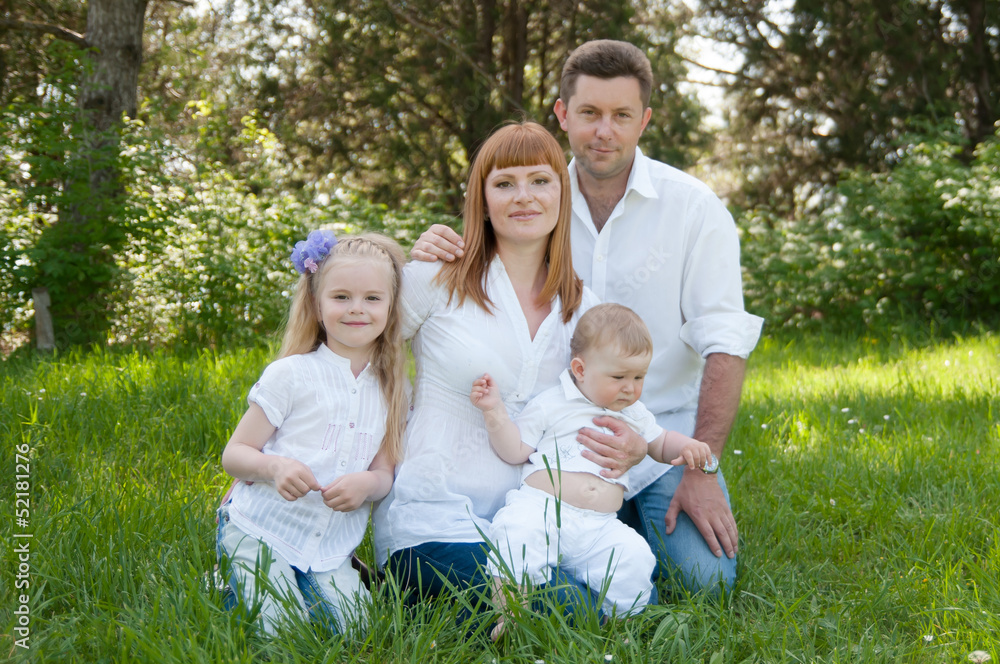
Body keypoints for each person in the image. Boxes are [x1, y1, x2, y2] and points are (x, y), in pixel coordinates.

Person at [412, 40, 765, 595]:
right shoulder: (539, 193)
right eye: (590, 114)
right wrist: (428, 246)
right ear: (562, 114)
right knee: (550, 568)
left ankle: (614, 523)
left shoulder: (695, 210)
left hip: (655, 432)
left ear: (644, 120)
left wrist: (701, 468)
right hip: (551, 433)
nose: (605, 131)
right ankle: (589, 531)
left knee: (705, 583)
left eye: (622, 116)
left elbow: (725, 342)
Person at [371, 121, 601, 605]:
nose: (524, 196)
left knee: (599, 597)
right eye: (504, 183)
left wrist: (632, 446)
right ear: (482, 199)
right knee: (551, 607)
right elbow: (349, 357)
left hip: (531, 521)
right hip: (435, 515)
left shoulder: (584, 309)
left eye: (540, 180)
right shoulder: (436, 277)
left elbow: (604, 406)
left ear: (564, 193)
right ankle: (402, 591)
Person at [470, 303, 715, 639]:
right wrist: (495, 412)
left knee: (634, 556)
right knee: (516, 535)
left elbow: (659, 443)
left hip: (599, 527)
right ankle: (512, 617)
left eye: (639, 377)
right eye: (619, 377)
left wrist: (685, 446)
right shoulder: (553, 402)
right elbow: (515, 450)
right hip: (542, 510)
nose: (630, 388)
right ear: (580, 369)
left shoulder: (635, 413)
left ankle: (618, 628)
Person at [217, 231, 408, 636]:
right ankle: (229, 574)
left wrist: (366, 484)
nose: (357, 309)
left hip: (330, 546)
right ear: (318, 307)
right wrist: (275, 466)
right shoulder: (292, 374)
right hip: (263, 527)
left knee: (355, 630)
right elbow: (234, 454)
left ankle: (310, 583)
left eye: (373, 298)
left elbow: (383, 473)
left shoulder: (394, 389)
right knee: (277, 628)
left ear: (391, 309)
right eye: (341, 297)